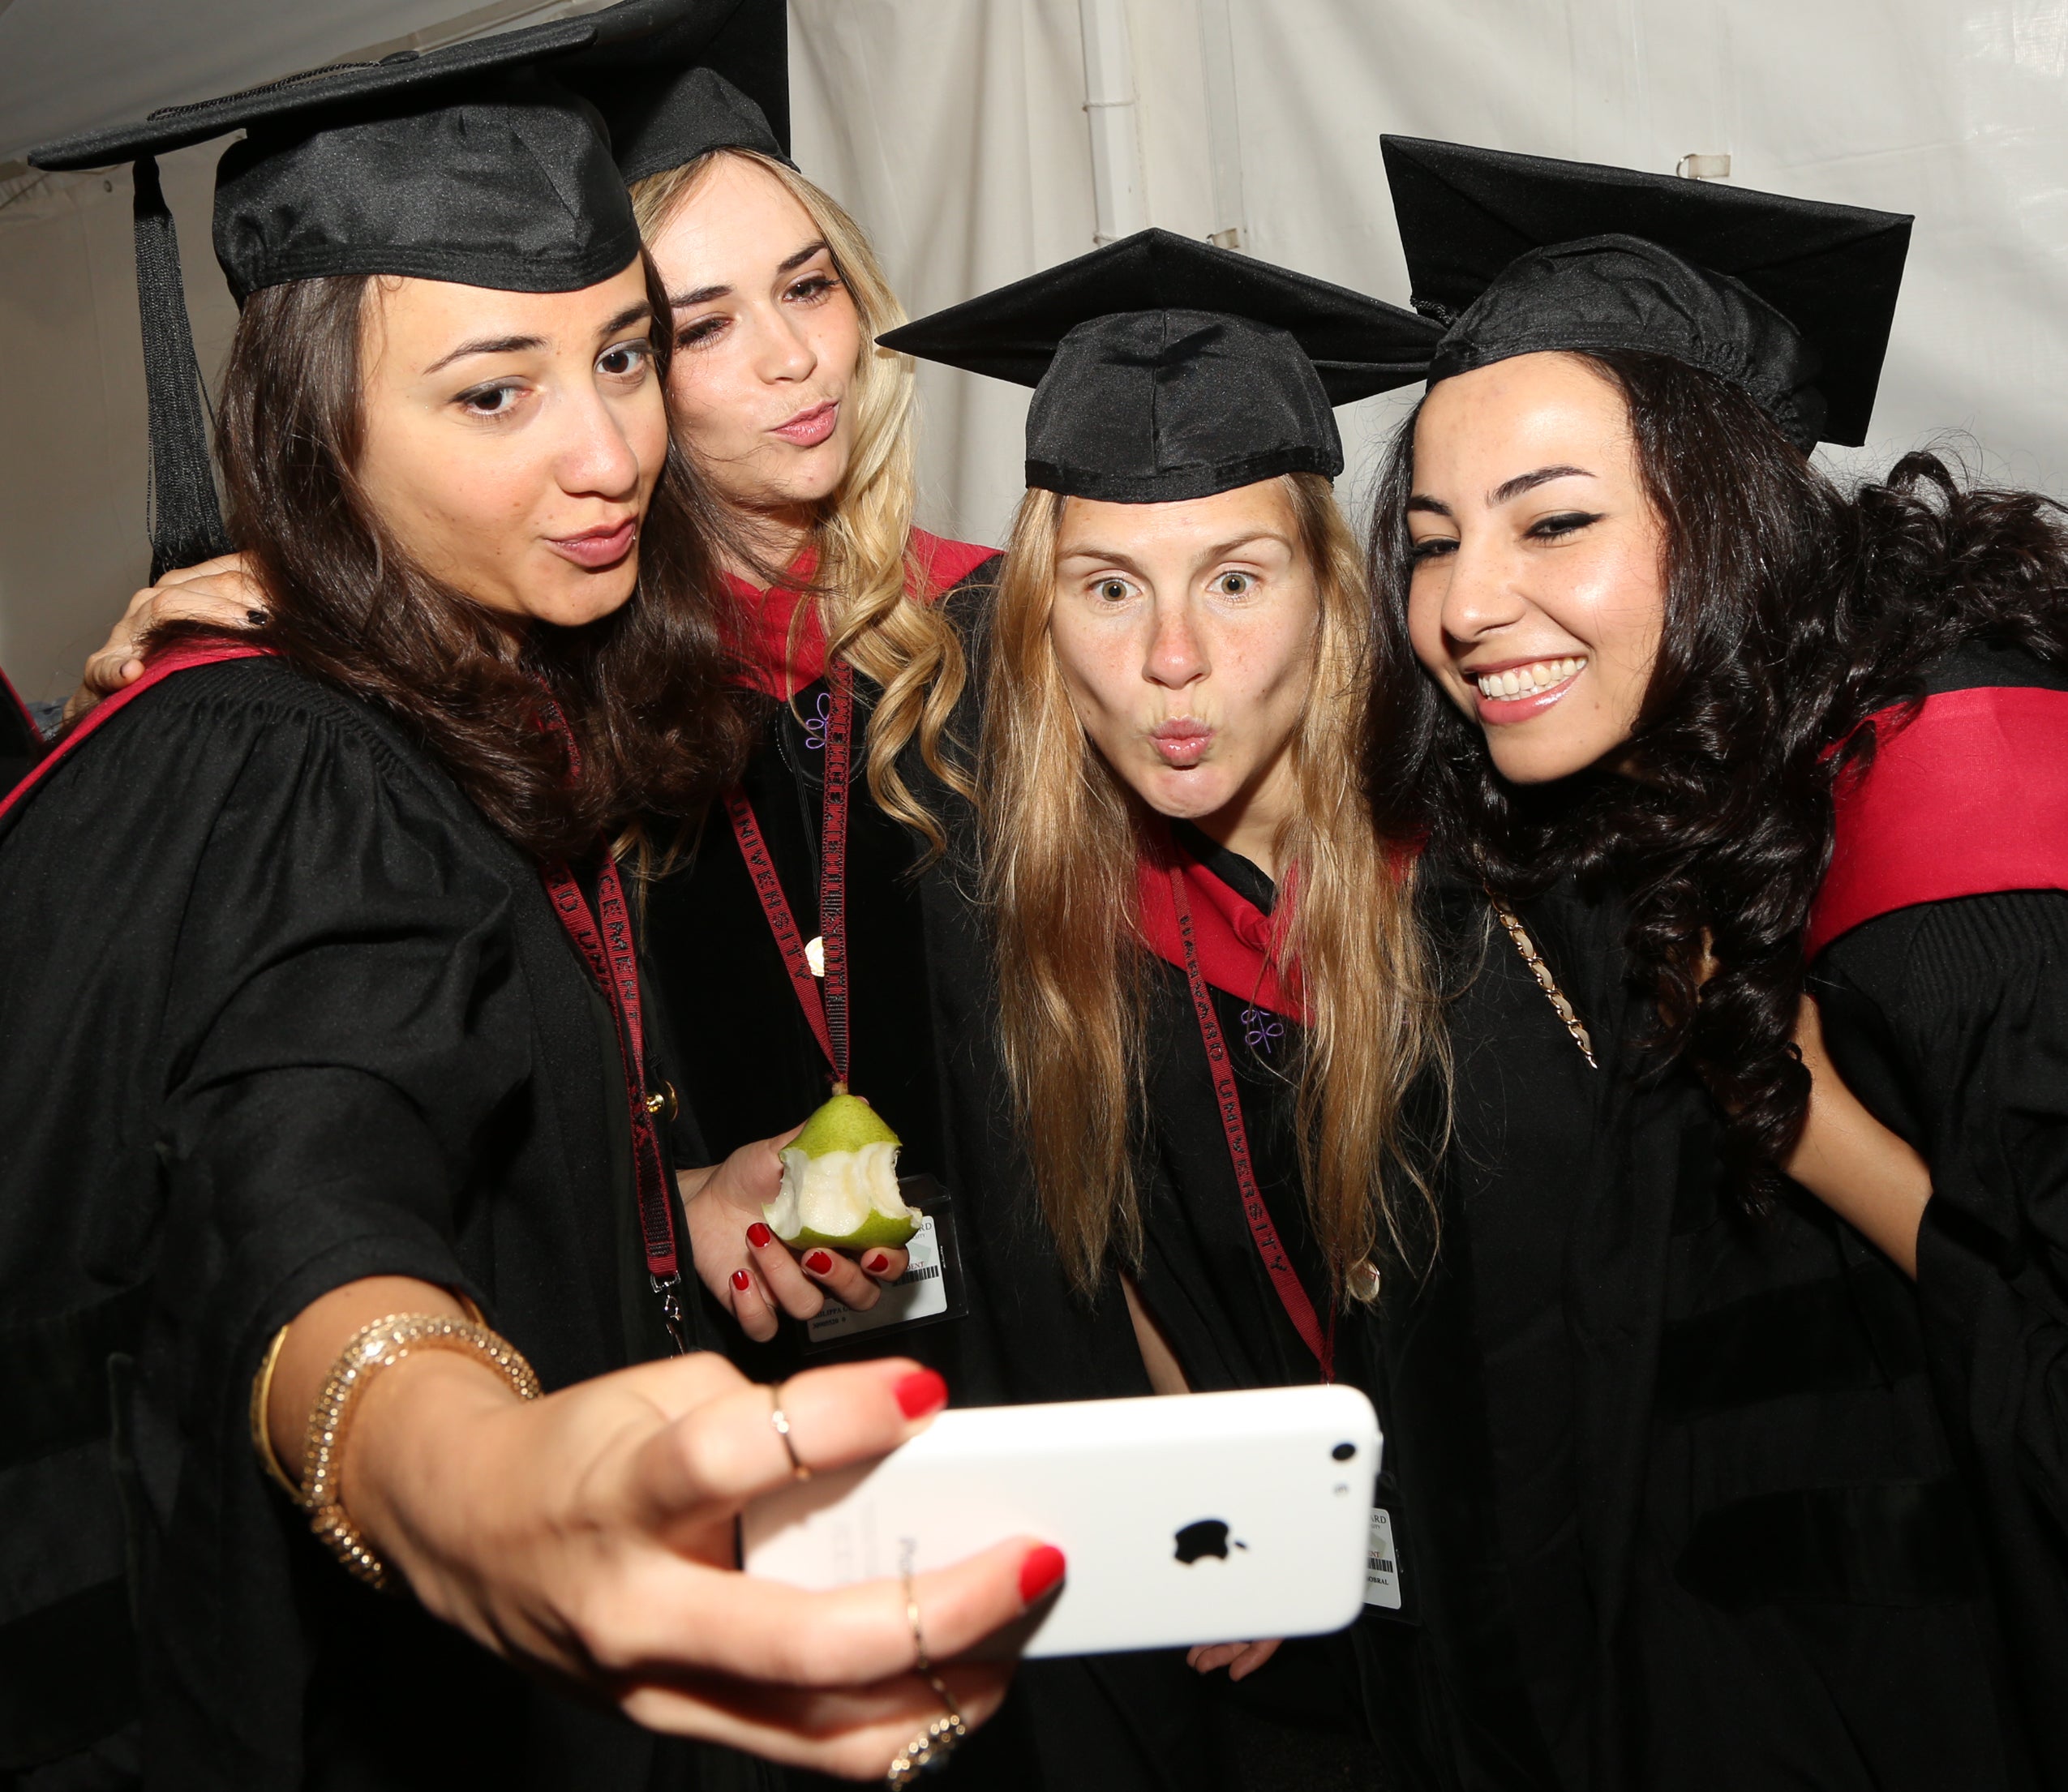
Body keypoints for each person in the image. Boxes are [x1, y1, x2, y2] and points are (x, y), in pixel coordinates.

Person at [2, 32, 1060, 1792]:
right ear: (315, 425)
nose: (610, 455)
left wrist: (673, 1200)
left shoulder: (502, 703)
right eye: (495, 392)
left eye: (626, 357)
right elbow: (304, 1175)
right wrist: (463, 1476)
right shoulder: (289, 764)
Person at [64, 5, 998, 1367]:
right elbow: (310, 1184)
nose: (794, 359)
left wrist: (664, 1214)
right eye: (698, 327)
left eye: (808, 286)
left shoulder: (963, 626)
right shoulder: (404, 729)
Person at [1367, 137, 2039, 1789]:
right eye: (1437, 537)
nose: (1466, 603)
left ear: (1729, 511)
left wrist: (1825, 1134)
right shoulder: (1631, 793)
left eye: (1557, 523)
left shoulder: (1953, 800)